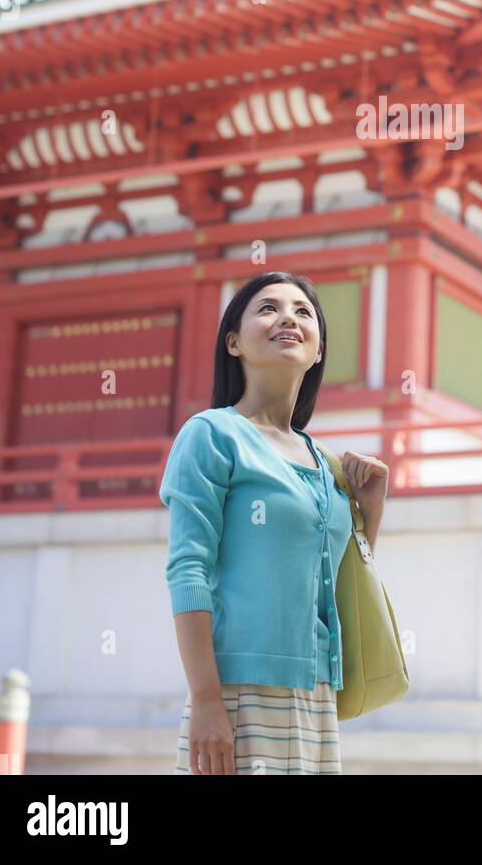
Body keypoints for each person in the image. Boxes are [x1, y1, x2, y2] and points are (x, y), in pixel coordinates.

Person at [159, 270, 389, 775]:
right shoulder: (212, 434)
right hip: (239, 694)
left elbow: (338, 582)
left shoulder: (324, 460)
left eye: (303, 312)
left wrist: (369, 512)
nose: (288, 316)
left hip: (317, 698)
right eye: (268, 308)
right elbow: (187, 570)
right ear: (234, 342)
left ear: (319, 350)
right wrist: (205, 699)